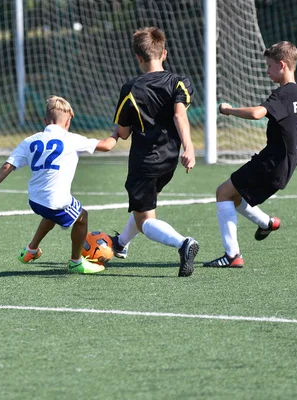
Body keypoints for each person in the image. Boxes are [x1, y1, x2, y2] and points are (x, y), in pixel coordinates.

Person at [203, 41, 297, 268]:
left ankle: (232, 256)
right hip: (285, 169)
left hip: (270, 163)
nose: (267, 71)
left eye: (269, 66)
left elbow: (258, 114)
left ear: (282, 65)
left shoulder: (284, 94)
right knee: (235, 195)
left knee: (222, 193)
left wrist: (228, 110)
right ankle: (267, 223)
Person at [0, 96, 119, 274]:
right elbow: (107, 146)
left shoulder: (29, 141)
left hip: (35, 200)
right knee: (82, 217)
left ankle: (31, 250)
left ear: (45, 121)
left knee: (51, 214)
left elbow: (8, 166)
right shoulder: (71, 139)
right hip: (55, 201)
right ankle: (76, 262)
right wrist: (117, 133)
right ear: (68, 121)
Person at [109, 27, 199, 277]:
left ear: (138, 57)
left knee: (146, 222)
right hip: (170, 159)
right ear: (165, 53)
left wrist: (115, 132)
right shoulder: (179, 82)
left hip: (145, 161)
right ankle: (121, 244)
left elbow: (124, 133)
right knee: (144, 206)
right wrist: (189, 148)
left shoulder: (131, 88)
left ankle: (184, 244)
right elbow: (180, 116)